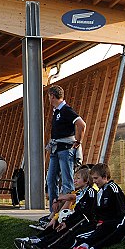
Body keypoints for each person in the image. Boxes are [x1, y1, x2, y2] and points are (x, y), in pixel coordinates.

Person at [45, 84, 86, 212]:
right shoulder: (56, 111)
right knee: (51, 180)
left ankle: (65, 211)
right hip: (56, 149)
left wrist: (79, 141)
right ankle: (54, 211)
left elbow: (81, 124)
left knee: (67, 181)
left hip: (65, 150)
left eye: (49, 97)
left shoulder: (66, 110)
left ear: (52, 96)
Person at [72, 163, 125, 249]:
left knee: (87, 234)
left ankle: (84, 247)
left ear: (104, 177)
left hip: (112, 223)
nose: (94, 181)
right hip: (100, 222)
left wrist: (105, 222)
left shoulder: (113, 188)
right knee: (78, 230)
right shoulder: (100, 191)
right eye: (93, 178)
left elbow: (121, 211)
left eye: (96, 178)